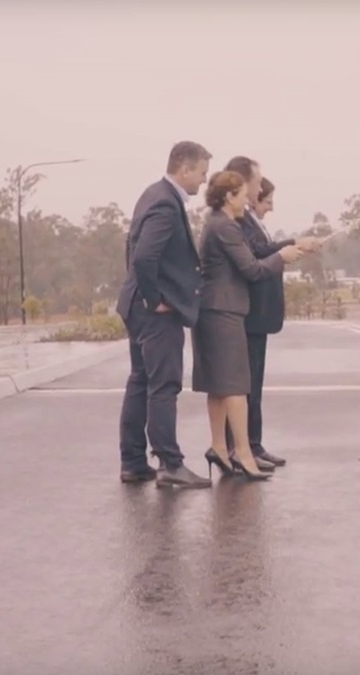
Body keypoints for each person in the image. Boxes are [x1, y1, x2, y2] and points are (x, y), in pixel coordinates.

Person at [192, 169, 303, 480]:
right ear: (229, 197)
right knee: (237, 386)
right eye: (243, 195)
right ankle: (242, 452)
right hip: (224, 311)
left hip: (212, 309)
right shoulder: (226, 227)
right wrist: (283, 256)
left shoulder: (215, 223)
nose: (248, 201)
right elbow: (252, 269)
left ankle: (218, 446)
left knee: (216, 387)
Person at [116, 141, 214, 488]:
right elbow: (143, 257)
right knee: (163, 385)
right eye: (201, 173)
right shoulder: (165, 203)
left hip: (135, 306)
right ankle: (170, 466)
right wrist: (153, 298)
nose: (203, 182)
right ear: (184, 168)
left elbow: (132, 249)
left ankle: (133, 462)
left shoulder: (152, 194)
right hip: (154, 312)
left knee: (141, 381)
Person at [223, 156, 321, 467]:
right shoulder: (236, 220)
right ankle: (241, 446)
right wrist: (290, 247)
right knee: (244, 385)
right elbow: (257, 254)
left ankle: (253, 443)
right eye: (258, 184)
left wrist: (291, 249)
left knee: (255, 384)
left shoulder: (251, 221)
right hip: (248, 313)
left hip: (259, 315)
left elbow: (264, 250)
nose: (270, 206)